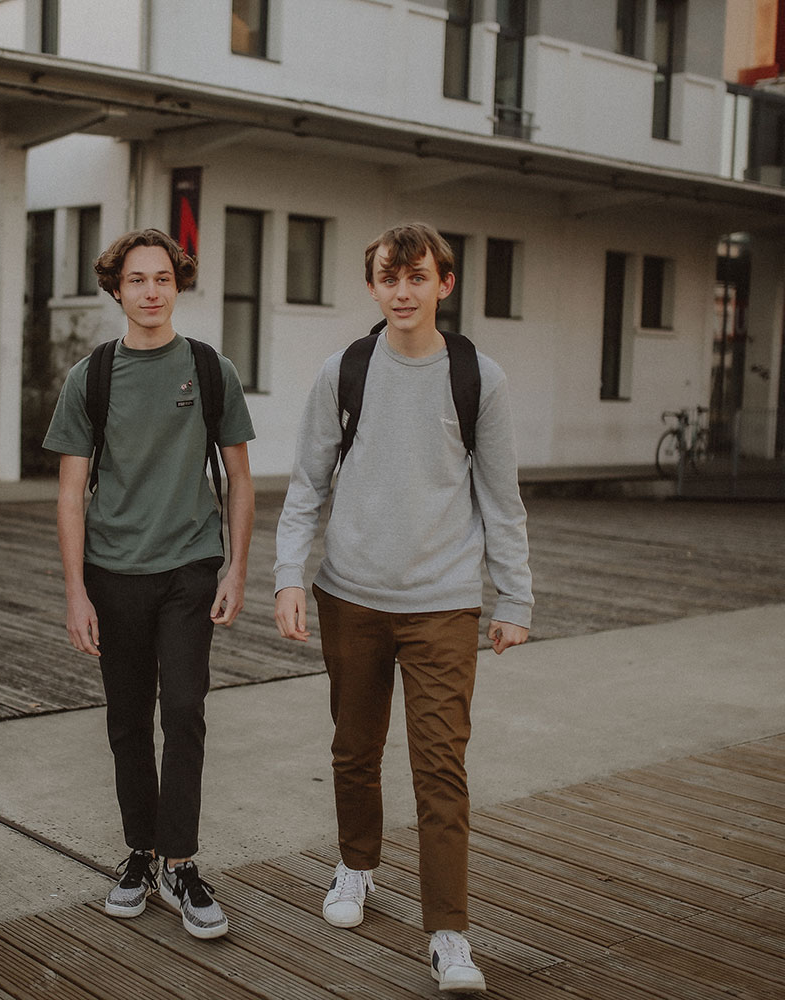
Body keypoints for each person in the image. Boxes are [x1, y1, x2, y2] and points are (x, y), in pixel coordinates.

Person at [273, 223, 533, 993]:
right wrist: (290, 575)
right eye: (390, 278)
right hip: (349, 595)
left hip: (444, 604)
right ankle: (356, 866)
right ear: (374, 286)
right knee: (353, 750)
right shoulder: (343, 371)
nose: (404, 291)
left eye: (418, 277)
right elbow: (306, 486)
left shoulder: (479, 377)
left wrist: (513, 595)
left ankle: (450, 933)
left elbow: (502, 498)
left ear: (444, 285)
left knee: (440, 767)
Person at [43, 228, 255, 940]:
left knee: (186, 709)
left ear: (178, 284)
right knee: (129, 718)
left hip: (190, 566)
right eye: (137, 280)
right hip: (112, 573)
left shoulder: (210, 368)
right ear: (117, 290)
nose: (151, 291)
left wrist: (238, 566)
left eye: (162, 278)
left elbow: (241, 476)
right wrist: (75, 591)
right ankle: (140, 853)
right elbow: (71, 494)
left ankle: (182, 862)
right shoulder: (91, 377)